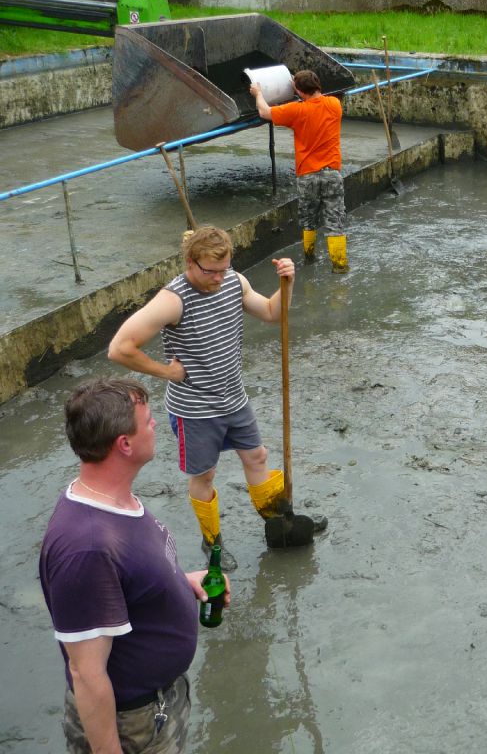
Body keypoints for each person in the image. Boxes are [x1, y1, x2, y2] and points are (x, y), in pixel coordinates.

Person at [108, 226, 320, 571]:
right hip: (195, 410)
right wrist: (167, 372)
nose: (219, 278)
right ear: (191, 263)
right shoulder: (173, 299)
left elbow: (272, 313)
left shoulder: (234, 282)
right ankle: (212, 542)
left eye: (225, 269)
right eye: (211, 272)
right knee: (204, 476)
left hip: (234, 397)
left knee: (257, 456)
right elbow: (119, 348)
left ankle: (279, 520)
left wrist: (287, 284)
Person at [39, 378, 230, 753]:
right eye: (148, 420)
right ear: (124, 444)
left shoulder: (113, 501)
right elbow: (87, 674)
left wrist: (180, 583)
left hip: (160, 703)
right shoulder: (87, 548)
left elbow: (129, 578)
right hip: (134, 725)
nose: (155, 424)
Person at [251, 68, 347, 270]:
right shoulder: (334, 104)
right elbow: (315, 101)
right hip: (332, 174)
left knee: (309, 221)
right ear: (317, 85)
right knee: (335, 222)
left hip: (307, 175)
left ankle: (309, 260)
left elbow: (264, 112)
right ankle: (339, 267)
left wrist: (258, 93)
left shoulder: (296, 111)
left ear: (299, 91)